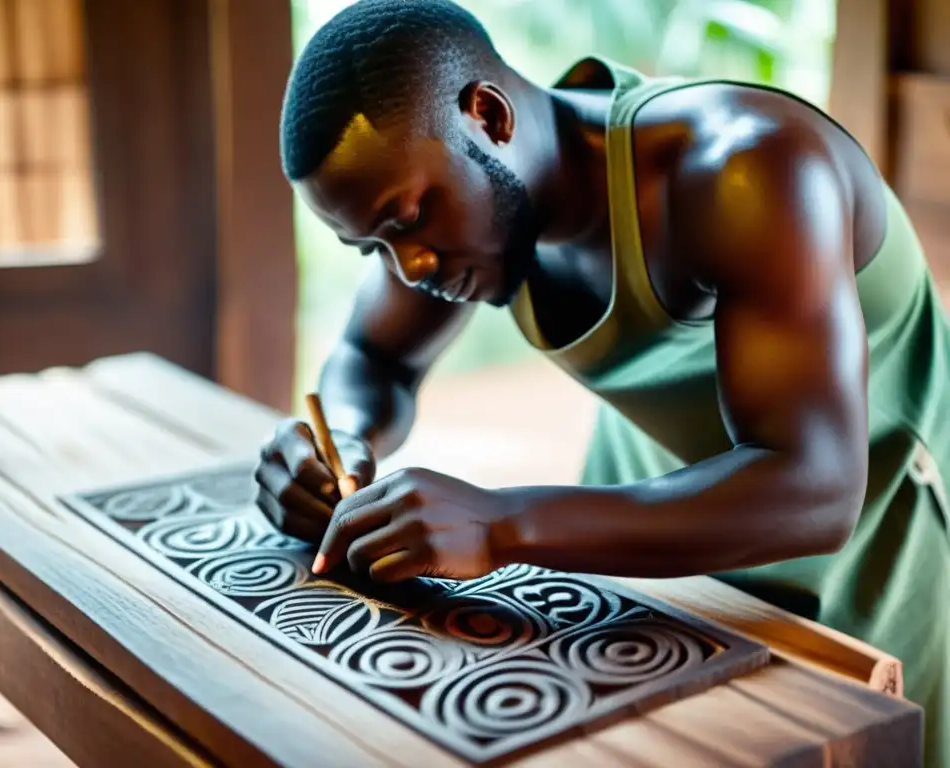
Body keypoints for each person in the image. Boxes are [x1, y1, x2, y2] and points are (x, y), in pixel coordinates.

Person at [257, 1, 949, 762]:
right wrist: (347, 439)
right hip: (649, 532)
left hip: (864, 546)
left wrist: (503, 522)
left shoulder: (747, 168)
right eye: (373, 248)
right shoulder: (458, 209)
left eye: (410, 218)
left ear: (487, 115)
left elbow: (815, 489)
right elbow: (373, 358)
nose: (411, 267)